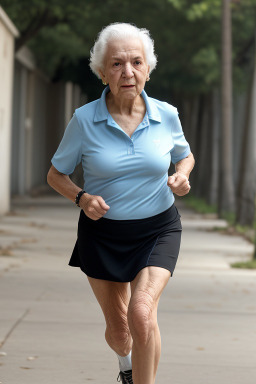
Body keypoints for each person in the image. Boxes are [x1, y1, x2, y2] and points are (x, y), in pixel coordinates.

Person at [47, 22, 195, 384]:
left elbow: (185, 155)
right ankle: (127, 369)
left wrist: (181, 175)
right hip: (103, 234)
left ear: (147, 68)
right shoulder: (83, 120)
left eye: (136, 62)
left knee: (142, 314)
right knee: (120, 332)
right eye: (116, 64)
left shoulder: (167, 115)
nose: (127, 72)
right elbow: (55, 175)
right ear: (102, 72)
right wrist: (81, 198)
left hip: (157, 229)